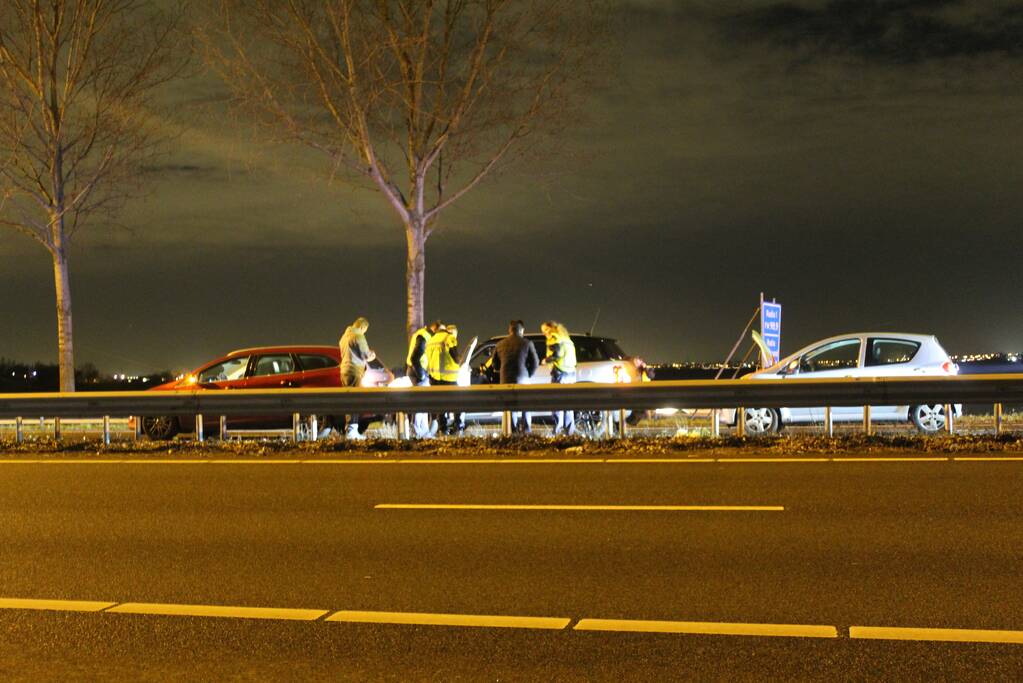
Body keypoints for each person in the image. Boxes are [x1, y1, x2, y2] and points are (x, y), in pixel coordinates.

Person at [488, 320, 539, 433]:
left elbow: (494, 364)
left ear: (509, 330)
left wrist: (501, 370)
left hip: (505, 379)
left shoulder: (500, 344)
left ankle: (512, 431)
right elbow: (535, 362)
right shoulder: (527, 343)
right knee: (525, 405)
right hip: (523, 379)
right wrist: (528, 373)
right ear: (522, 330)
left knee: (510, 405)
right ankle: (526, 430)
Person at [338, 317, 376, 439]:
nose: (364, 332)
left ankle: (349, 429)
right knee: (355, 401)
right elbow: (365, 354)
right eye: (365, 330)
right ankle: (352, 430)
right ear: (362, 327)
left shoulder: (344, 337)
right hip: (355, 371)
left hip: (344, 371)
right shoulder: (358, 336)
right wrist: (372, 355)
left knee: (348, 400)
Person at [426, 323, 464, 435]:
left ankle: (443, 428)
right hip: (448, 378)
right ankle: (458, 426)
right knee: (459, 402)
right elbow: (456, 358)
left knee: (440, 404)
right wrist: (462, 360)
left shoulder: (431, 340)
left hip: (434, 379)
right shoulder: (449, 338)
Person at [406, 320, 441, 437]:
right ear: (435, 330)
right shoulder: (424, 336)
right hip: (418, 372)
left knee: (422, 402)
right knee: (421, 403)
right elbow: (414, 357)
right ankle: (418, 432)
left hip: (416, 371)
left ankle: (423, 432)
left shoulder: (422, 334)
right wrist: (421, 374)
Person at [542, 321, 577, 435]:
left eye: (546, 330)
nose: (544, 333)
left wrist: (546, 360)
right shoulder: (567, 339)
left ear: (552, 328)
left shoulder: (554, 338)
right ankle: (569, 432)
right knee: (568, 403)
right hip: (571, 374)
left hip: (560, 373)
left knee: (557, 402)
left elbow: (557, 354)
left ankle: (557, 432)